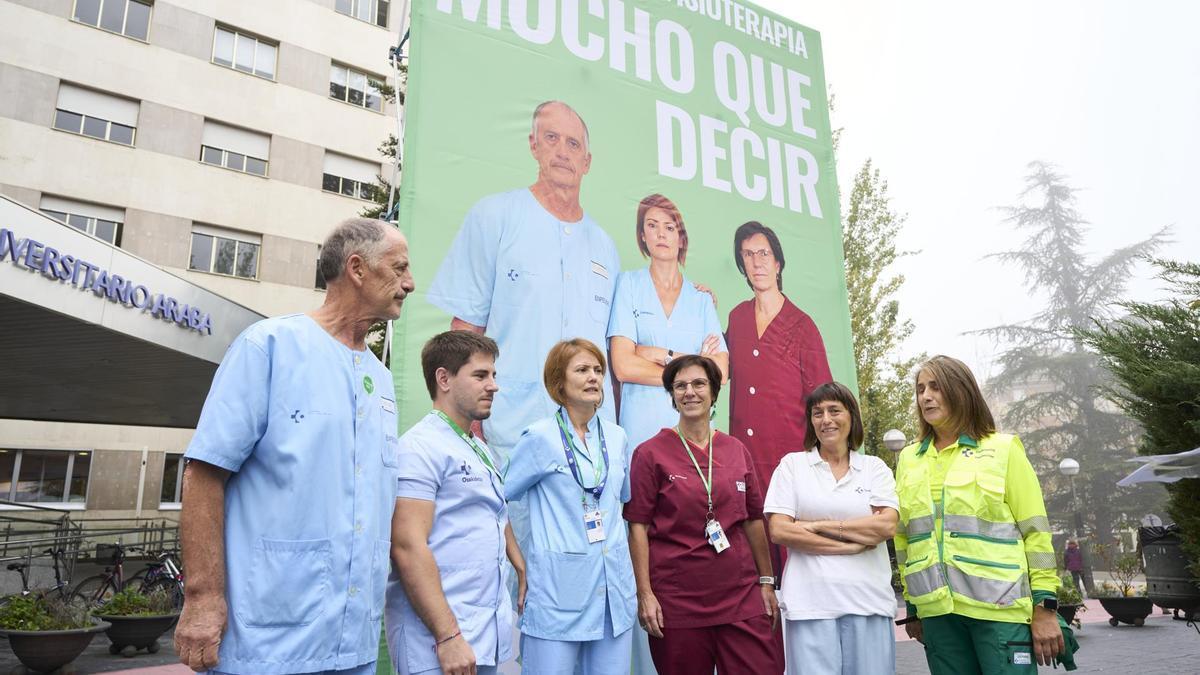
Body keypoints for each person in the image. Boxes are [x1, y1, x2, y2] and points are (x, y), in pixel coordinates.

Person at [174, 218, 415, 674]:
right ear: (358, 269)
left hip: (354, 640)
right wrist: (203, 598)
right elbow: (204, 473)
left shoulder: (379, 378)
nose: (410, 283)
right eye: (399, 267)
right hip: (268, 639)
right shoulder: (269, 346)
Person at [426, 100, 620, 457]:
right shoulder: (494, 216)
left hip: (591, 436)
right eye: (551, 138)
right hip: (511, 428)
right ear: (534, 144)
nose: (562, 151)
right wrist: (467, 417)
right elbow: (466, 330)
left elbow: (611, 351)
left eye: (573, 144)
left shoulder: (605, 247)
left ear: (587, 161)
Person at [896, 355, 1064, 673]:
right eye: (920, 389)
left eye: (935, 387)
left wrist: (1045, 607)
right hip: (938, 616)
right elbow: (905, 539)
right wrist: (914, 607)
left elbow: (1036, 531)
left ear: (960, 390)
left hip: (1000, 611)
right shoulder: (909, 459)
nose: (925, 396)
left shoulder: (1003, 450)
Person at [625, 354, 782, 674]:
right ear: (671, 395)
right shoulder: (650, 453)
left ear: (713, 392)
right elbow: (637, 526)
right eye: (680, 386)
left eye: (699, 384)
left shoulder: (735, 450)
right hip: (678, 602)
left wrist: (766, 581)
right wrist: (645, 594)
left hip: (739, 596)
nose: (689, 392)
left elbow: (753, 519)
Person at [386, 331, 526, 675]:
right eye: (480, 376)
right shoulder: (419, 448)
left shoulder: (476, 445)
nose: (493, 386)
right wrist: (447, 637)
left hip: (482, 637)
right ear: (443, 379)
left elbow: (494, 512)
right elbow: (406, 546)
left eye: (494, 375)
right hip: (438, 643)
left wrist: (519, 562)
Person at [504, 339, 636, 674]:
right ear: (559, 382)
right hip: (557, 594)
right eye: (582, 370)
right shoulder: (539, 437)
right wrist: (519, 563)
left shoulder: (618, 437)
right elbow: (494, 501)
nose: (593, 377)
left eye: (597, 370)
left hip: (612, 597)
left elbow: (621, 502)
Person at [764, 382, 899, 675]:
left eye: (834, 410)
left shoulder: (875, 468)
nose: (826, 419)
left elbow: (886, 525)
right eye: (817, 413)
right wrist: (850, 543)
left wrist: (817, 526)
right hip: (810, 605)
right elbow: (780, 531)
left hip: (869, 602)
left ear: (851, 416)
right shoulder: (793, 466)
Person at [725, 221, 833, 579]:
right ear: (742, 265)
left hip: (790, 468)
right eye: (748, 255)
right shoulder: (737, 318)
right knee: (754, 572)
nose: (756, 262)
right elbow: (719, 370)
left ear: (777, 263)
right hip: (743, 468)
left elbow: (824, 404)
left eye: (763, 254)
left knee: (795, 571)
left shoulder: (803, 326)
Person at [608, 193, 728, 451]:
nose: (661, 234)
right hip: (640, 433)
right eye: (652, 225)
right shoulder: (628, 285)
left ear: (681, 238)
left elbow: (720, 372)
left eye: (669, 227)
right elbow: (623, 366)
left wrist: (657, 353)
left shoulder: (701, 300)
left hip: (693, 434)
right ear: (642, 235)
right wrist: (695, 364)